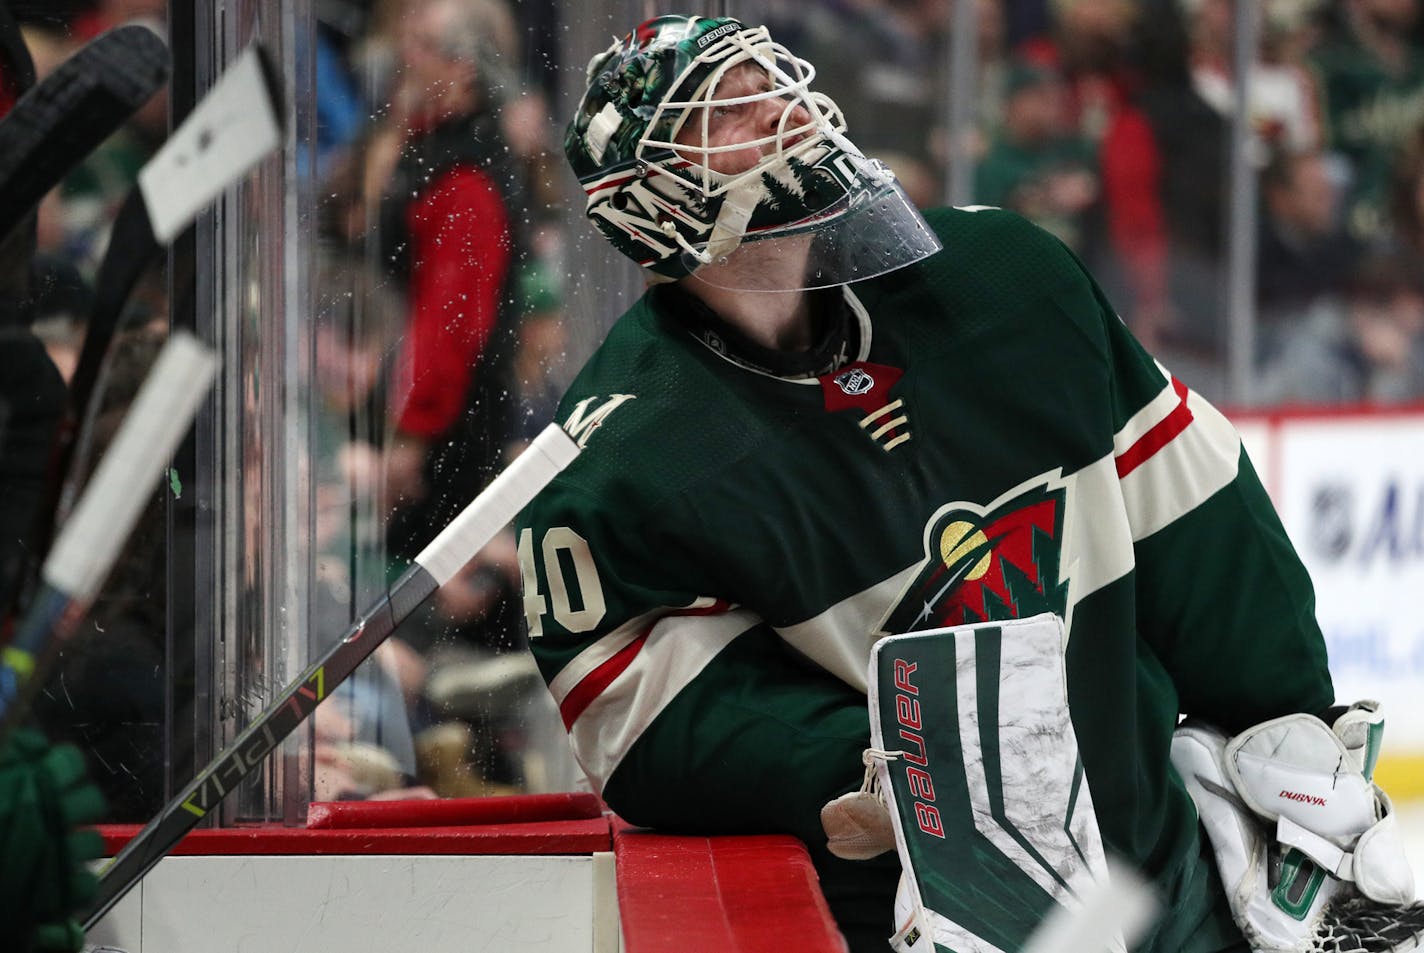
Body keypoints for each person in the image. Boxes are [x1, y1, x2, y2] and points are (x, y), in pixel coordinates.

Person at [518, 15, 1424, 953]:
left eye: (769, 80)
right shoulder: (628, 452)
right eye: (730, 110)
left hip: (1157, 868)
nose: (783, 107)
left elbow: (1198, 516)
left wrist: (1292, 722)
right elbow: (650, 727)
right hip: (947, 924)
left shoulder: (1006, 279)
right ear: (655, 203)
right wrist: (874, 768)